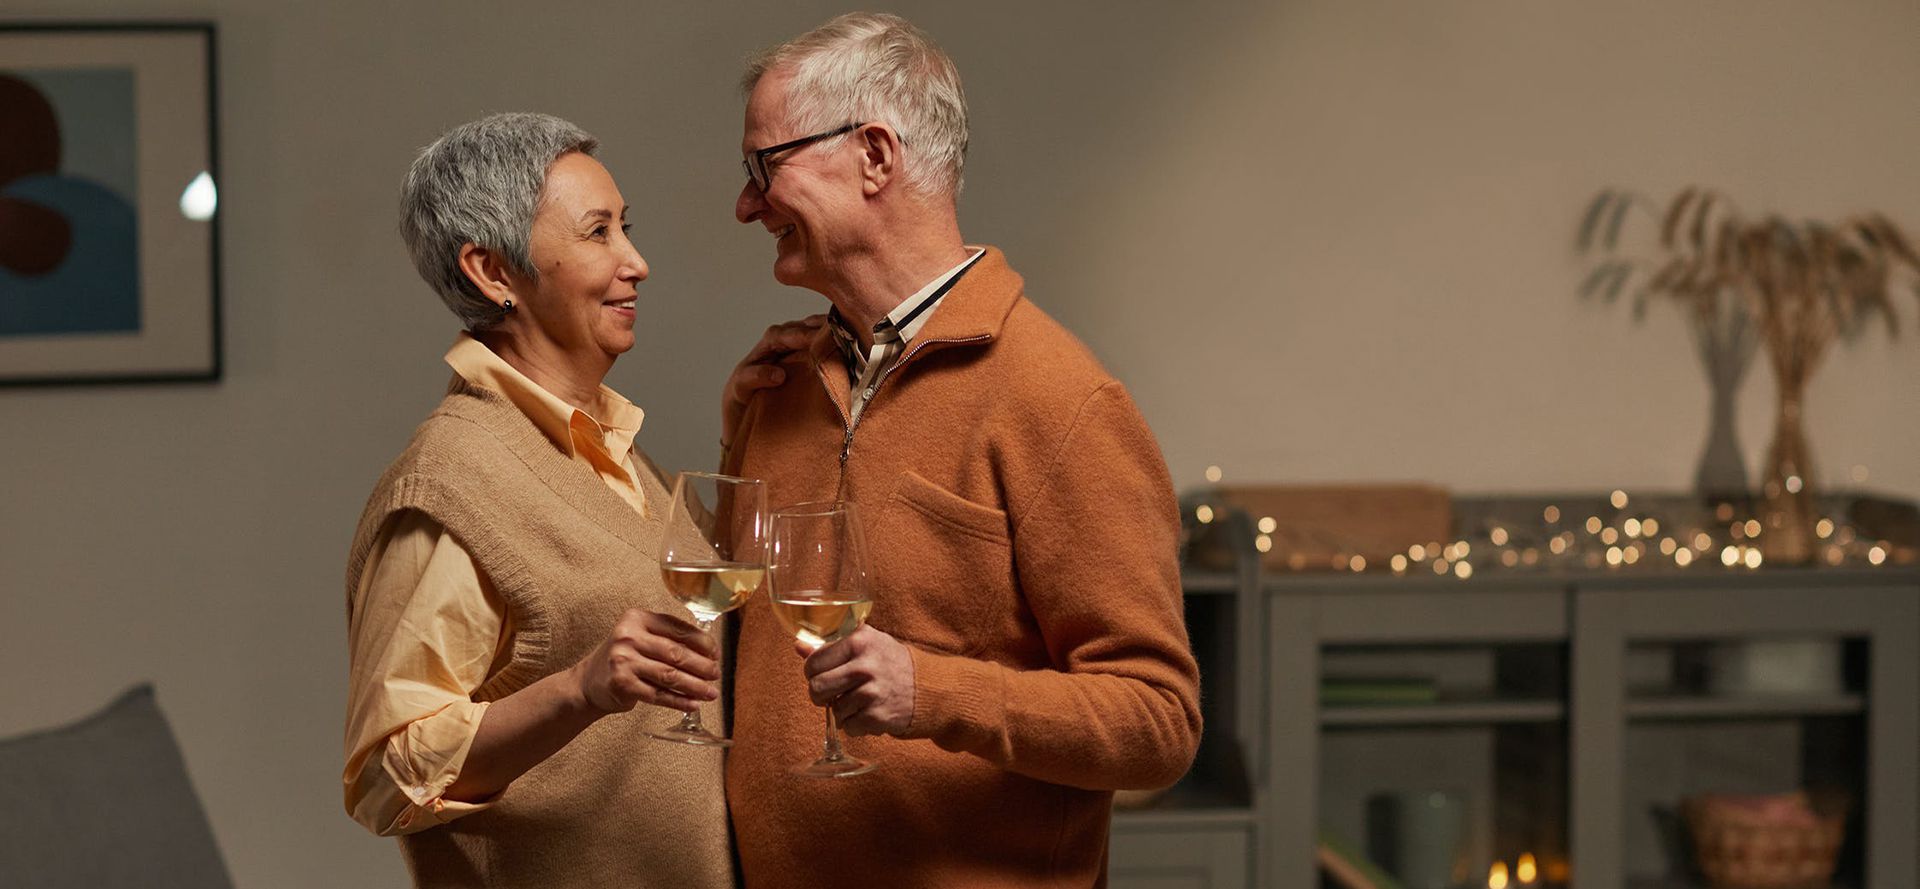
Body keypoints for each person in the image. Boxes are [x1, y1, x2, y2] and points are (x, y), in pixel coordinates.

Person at [718, 13, 1203, 888]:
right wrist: (734, 438)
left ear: (874, 155)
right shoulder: (779, 385)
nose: (746, 205)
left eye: (766, 167)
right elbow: (739, 644)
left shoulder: (1061, 400)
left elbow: (1158, 718)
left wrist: (932, 692)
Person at [342, 112, 732, 889]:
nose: (637, 261)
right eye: (598, 234)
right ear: (493, 272)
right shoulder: (445, 486)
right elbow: (388, 775)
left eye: (626, 228)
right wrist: (580, 690)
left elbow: (718, 603)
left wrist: (754, 433)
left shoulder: (614, 448)